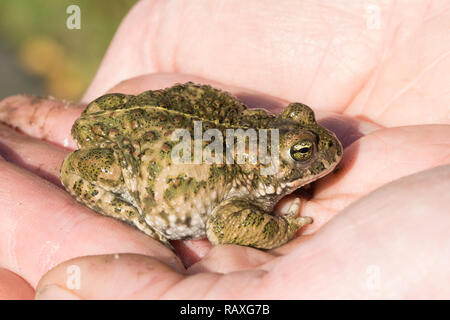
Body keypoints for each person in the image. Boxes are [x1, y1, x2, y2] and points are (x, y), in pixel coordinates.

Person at [0, 0, 449, 299]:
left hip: (138, 117)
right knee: (89, 169)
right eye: (302, 152)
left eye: (304, 139)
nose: (326, 151)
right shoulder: (244, 178)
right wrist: (279, 230)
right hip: (127, 149)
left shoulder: (256, 141)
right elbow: (225, 223)